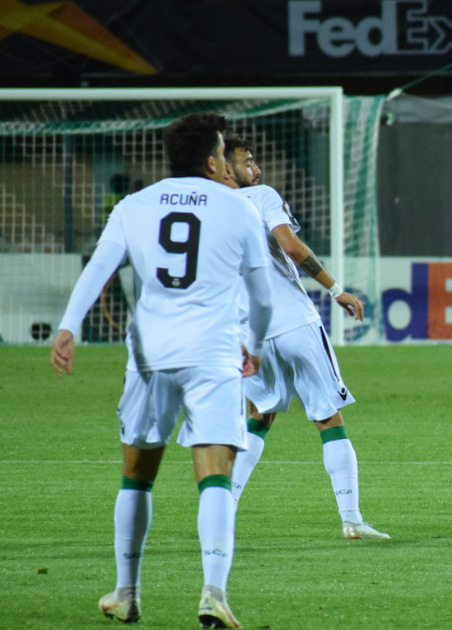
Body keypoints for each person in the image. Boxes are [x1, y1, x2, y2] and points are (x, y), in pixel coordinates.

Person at [51, 112, 274, 628]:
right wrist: (256, 345)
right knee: (215, 475)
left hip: (150, 357)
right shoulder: (239, 208)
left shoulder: (134, 206)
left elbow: (99, 268)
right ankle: (213, 592)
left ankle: (126, 593)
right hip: (213, 354)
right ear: (212, 161)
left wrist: (69, 327)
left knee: (137, 477)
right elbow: (262, 298)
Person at [222, 134, 389, 540]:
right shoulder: (262, 196)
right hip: (294, 322)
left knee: (258, 416)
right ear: (225, 167)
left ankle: (222, 512)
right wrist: (336, 290)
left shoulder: (206, 211)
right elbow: (292, 247)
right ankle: (351, 519)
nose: (256, 169)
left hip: (249, 333)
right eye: (247, 162)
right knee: (328, 418)